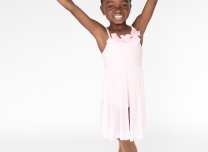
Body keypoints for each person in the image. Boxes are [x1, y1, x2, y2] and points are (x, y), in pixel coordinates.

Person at [57, 0, 158, 151]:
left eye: (124, 5)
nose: (118, 9)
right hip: (116, 98)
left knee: (124, 140)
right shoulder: (102, 33)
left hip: (134, 96)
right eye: (111, 6)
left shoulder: (137, 29)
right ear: (102, 10)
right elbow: (72, 8)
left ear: (130, 7)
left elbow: (152, 2)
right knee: (126, 140)